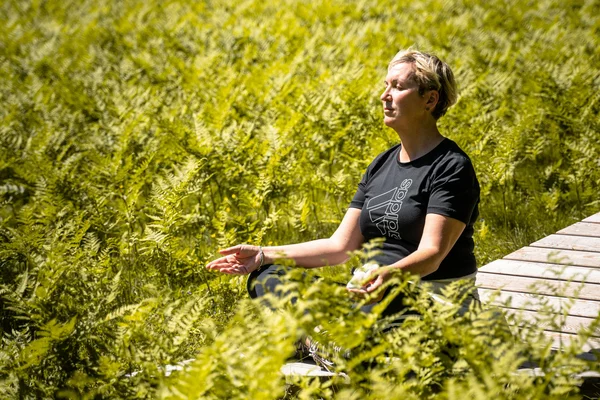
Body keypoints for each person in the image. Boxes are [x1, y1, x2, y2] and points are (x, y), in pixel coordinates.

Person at [206, 49, 480, 315]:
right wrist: (263, 254)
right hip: (367, 293)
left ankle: (325, 339)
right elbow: (341, 247)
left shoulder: (451, 166)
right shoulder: (381, 164)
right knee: (267, 276)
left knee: (380, 310)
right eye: (386, 85)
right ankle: (336, 340)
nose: (384, 96)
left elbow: (432, 255)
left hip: (427, 297)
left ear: (429, 100)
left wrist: (389, 275)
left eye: (397, 87)